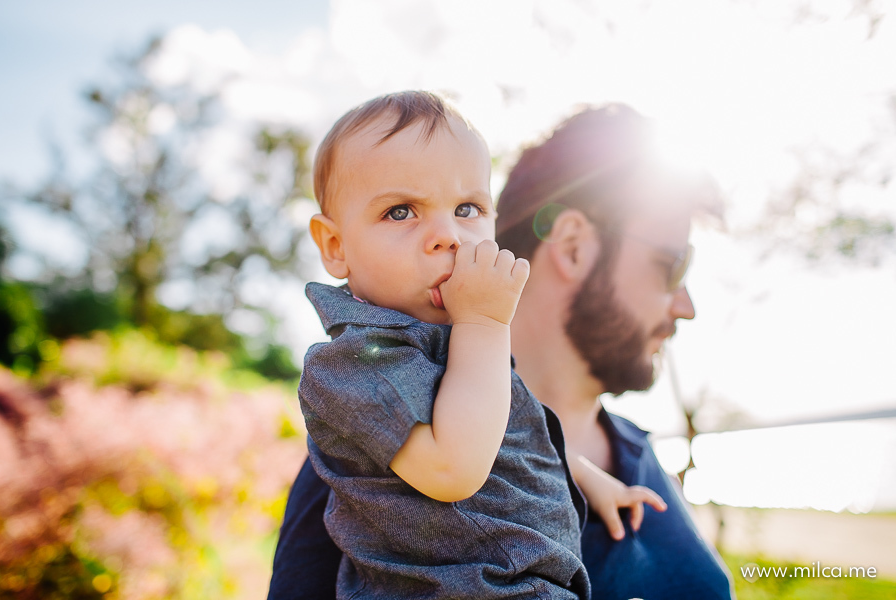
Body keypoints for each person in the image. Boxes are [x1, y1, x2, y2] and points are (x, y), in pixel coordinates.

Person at [268, 102, 735, 599]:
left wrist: (586, 478)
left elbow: (520, 437)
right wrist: (484, 324)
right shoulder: (368, 420)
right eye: (672, 266)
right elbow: (461, 464)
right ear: (572, 245)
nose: (447, 235)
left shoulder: (638, 459)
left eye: (467, 209)